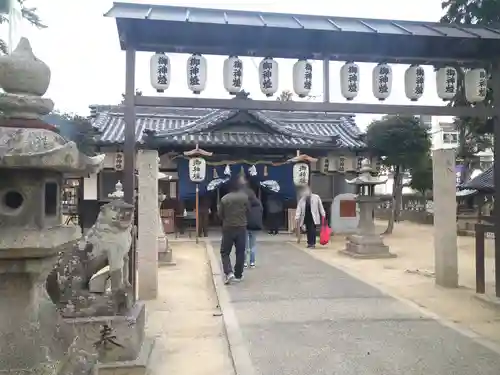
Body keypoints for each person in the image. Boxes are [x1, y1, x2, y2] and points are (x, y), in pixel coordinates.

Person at [218, 177, 250, 284]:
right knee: (240, 252)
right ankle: (238, 274)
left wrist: (226, 219)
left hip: (228, 227)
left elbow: (220, 214)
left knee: (225, 252)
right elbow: (249, 211)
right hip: (241, 227)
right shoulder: (245, 198)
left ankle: (228, 272)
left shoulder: (224, 199)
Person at [244, 185, 263, 268]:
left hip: (246, 225)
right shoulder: (259, 203)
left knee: (245, 245)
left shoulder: (245, 203)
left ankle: (244, 262)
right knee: (253, 245)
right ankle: (252, 262)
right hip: (255, 226)